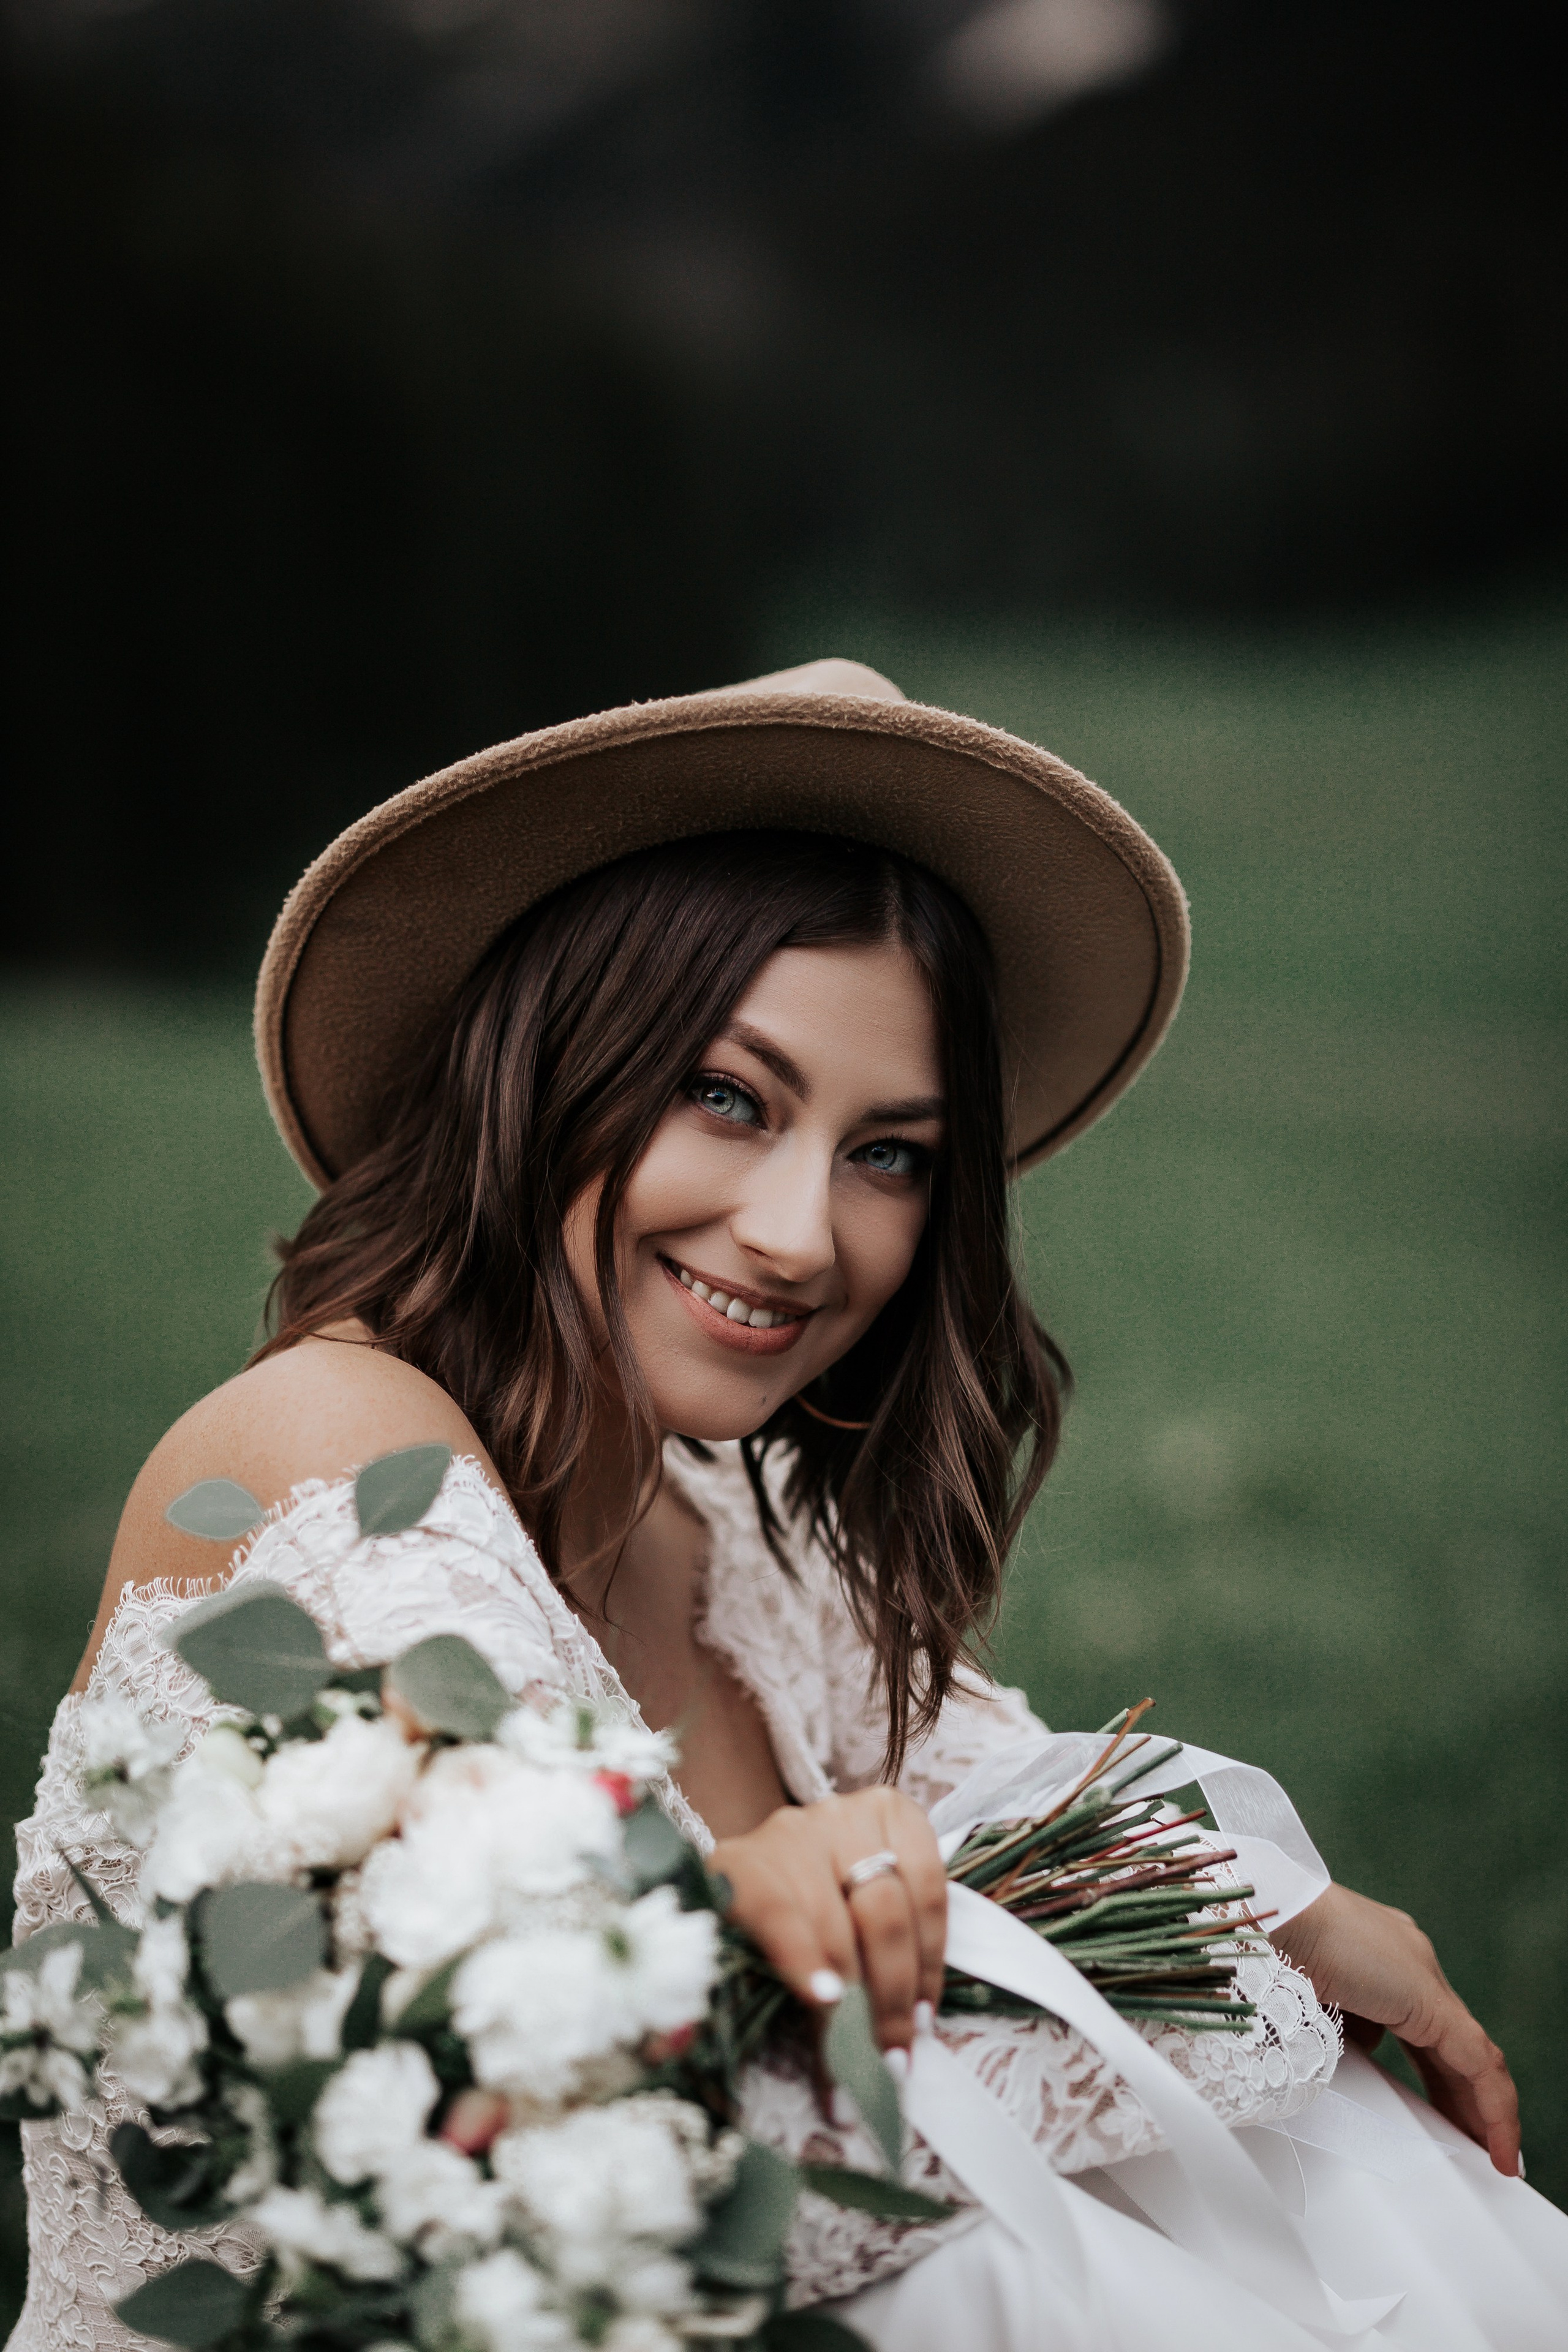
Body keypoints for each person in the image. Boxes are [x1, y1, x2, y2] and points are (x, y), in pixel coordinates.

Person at [9, 659, 1564, 2350]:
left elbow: (1032, 1844)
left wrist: (1259, 1907)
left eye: (889, 1152)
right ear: (547, 1064)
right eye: (728, 1098)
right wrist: (1227, 1943)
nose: (801, 1234)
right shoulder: (329, 1454)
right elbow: (646, 2147)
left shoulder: (735, 1538)